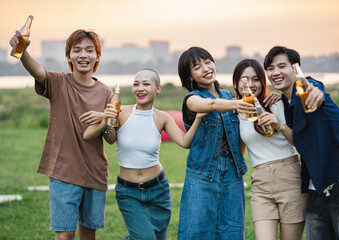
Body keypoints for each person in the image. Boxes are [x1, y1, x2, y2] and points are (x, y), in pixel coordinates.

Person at [9, 29, 113, 240]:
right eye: (77, 50)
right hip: (63, 173)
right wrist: (22, 51)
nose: (83, 55)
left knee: (88, 235)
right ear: (69, 57)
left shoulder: (106, 92)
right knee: (64, 235)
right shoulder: (58, 82)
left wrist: (105, 120)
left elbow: (111, 139)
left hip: (95, 174)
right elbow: (37, 71)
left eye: (89, 50)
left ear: (98, 57)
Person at [84, 68, 205, 240]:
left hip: (158, 189)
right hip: (128, 191)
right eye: (136, 84)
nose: (140, 88)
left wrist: (199, 117)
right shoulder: (120, 111)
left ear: (158, 89)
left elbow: (185, 142)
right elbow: (102, 138)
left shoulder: (162, 117)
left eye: (146, 84)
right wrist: (105, 121)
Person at [176, 47, 280, 239]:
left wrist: (273, 95)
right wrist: (237, 104)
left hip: (232, 173)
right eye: (197, 67)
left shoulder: (229, 96)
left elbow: (242, 134)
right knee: (196, 231)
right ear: (189, 76)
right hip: (202, 174)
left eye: (208, 62)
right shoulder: (192, 99)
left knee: (231, 231)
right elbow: (211, 105)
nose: (206, 68)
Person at [264, 46, 339, 240]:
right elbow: (297, 139)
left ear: (295, 68)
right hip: (315, 187)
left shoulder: (308, 88)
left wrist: (317, 93)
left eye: (282, 66)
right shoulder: (284, 104)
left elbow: (315, 91)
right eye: (270, 68)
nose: (276, 72)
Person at [232, 58, 308, 240]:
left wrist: (278, 124)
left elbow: (298, 142)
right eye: (244, 80)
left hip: (290, 178)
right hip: (261, 183)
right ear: (236, 83)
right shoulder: (235, 110)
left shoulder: (277, 103)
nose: (250, 84)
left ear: (262, 80)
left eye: (255, 79)